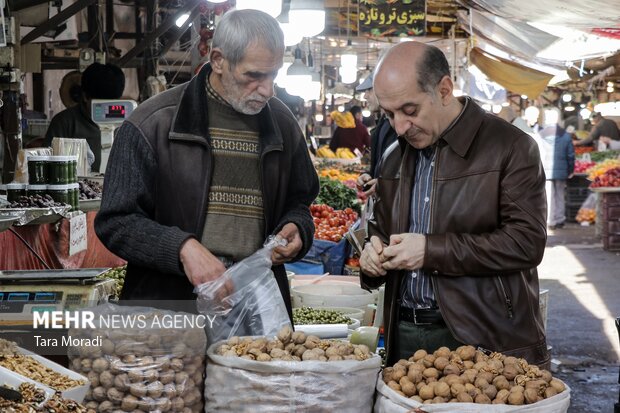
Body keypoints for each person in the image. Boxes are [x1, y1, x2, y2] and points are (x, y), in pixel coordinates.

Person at [94, 9, 319, 319]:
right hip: (169, 309)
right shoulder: (151, 124)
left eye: (273, 75)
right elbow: (116, 221)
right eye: (253, 76)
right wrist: (182, 249)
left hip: (259, 310)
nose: (267, 90)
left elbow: (300, 202)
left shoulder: (282, 123)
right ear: (217, 60)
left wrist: (298, 229)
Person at [359, 41, 549, 368]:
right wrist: (370, 257)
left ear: (444, 90)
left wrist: (431, 251)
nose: (399, 127)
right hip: (404, 336)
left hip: (484, 337)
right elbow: (380, 234)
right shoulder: (393, 158)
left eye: (410, 110)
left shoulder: (511, 147)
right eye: (389, 114)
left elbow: (526, 243)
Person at [44, 63, 125, 172]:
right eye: (101, 105)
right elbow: (47, 165)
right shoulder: (64, 123)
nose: (108, 111)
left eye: (111, 105)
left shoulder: (125, 125)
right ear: (85, 97)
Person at [355, 73, 398, 196]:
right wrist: (369, 175)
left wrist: (384, 185)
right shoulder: (383, 123)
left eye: (369, 90)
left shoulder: (400, 126)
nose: (365, 96)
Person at [535, 107, 575, 230]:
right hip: (562, 170)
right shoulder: (566, 135)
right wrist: (570, 170)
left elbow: (536, 153)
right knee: (560, 195)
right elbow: (570, 155)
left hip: (545, 170)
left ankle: (550, 220)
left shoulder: (540, 135)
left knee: (548, 196)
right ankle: (560, 219)